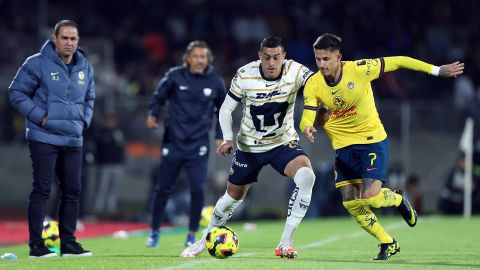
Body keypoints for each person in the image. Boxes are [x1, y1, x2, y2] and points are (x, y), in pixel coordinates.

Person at [300, 33, 464, 260]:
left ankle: (397, 199)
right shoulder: (314, 84)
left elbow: (399, 60)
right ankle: (387, 241)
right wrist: (307, 126)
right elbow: (307, 115)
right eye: (318, 59)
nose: (321, 64)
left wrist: (436, 70)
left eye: (326, 59)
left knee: (369, 197)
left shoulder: (359, 69)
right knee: (350, 202)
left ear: (339, 57)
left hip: (371, 141)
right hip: (343, 149)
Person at [181, 36, 316, 259]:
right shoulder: (245, 74)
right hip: (249, 148)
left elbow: (318, 85)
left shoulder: (297, 70)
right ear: (259, 56)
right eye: (266, 58)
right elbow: (225, 110)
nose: (271, 63)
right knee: (232, 198)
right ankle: (204, 240)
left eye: (276, 57)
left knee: (307, 177)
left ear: (284, 56)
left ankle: (285, 242)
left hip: (283, 143)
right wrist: (226, 138)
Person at [8, 20, 95, 258]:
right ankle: (37, 245)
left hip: (73, 138)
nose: (69, 43)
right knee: (42, 190)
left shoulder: (85, 66)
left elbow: (90, 97)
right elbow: (15, 92)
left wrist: (83, 121)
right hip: (43, 136)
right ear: (54, 39)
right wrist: (40, 117)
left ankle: (68, 244)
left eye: (73, 39)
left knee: (73, 191)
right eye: (64, 38)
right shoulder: (36, 63)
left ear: (78, 41)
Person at [146, 40, 226, 248]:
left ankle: (191, 234)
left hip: (198, 145)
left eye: (203, 57)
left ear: (208, 60)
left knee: (198, 189)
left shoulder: (216, 81)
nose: (200, 60)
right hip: (173, 143)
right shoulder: (174, 76)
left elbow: (224, 111)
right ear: (188, 58)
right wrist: (153, 114)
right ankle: (154, 232)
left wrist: (220, 135)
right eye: (196, 56)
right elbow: (158, 97)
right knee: (163, 188)